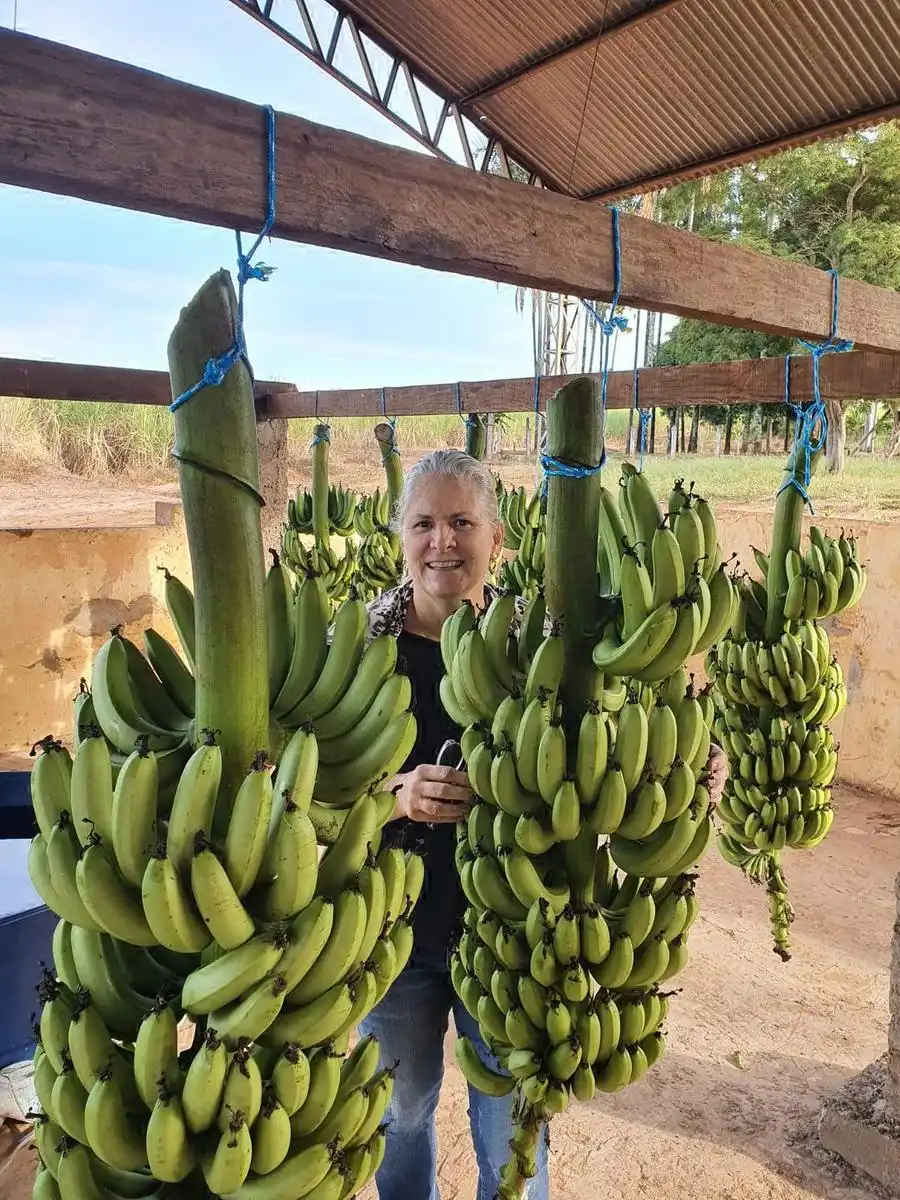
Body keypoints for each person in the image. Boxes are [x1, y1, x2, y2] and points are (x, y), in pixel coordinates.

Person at [358, 449, 728, 1200]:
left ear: (496, 537)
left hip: (516, 933)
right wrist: (393, 795)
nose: (442, 542)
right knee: (400, 1111)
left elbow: (603, 749)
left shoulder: (539, 646)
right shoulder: (361, 647)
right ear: (401, 536)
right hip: (393, 928)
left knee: (511, 1119)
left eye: (462, 523)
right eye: (423, 523)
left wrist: (681, 769)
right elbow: (314, 788)